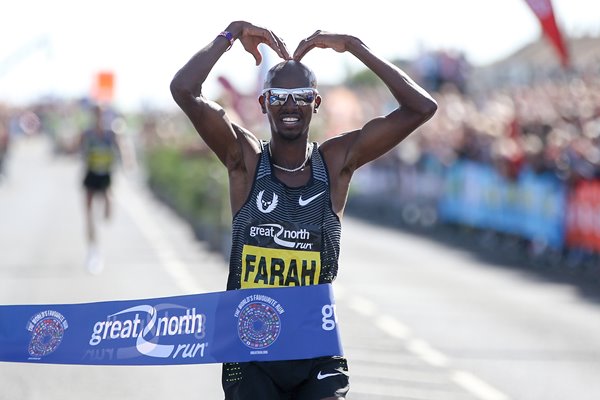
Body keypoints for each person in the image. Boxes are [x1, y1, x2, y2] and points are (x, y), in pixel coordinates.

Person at [170, 21, 437, 400]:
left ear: (316, 102)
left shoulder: (336, 163)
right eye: (279, 96)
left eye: (300, 95)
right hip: (251, 354)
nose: (290, 105)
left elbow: (421, 107)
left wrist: (354, 46)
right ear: (264, 103)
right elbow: (183, 89)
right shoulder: (244, 160)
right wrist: (230, 34)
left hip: (316, 351)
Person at [75, 104, 125, 274]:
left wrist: (126, 163)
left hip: (105, 175)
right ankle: (93, 248)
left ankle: (108, 207)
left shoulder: (111, 134)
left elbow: (122, 150)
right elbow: (78, 149)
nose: (99, 118)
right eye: (96, 115)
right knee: (88, 213)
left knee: (107, 208)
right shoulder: (87, 134)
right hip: (91, 174)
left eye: (102, 115)